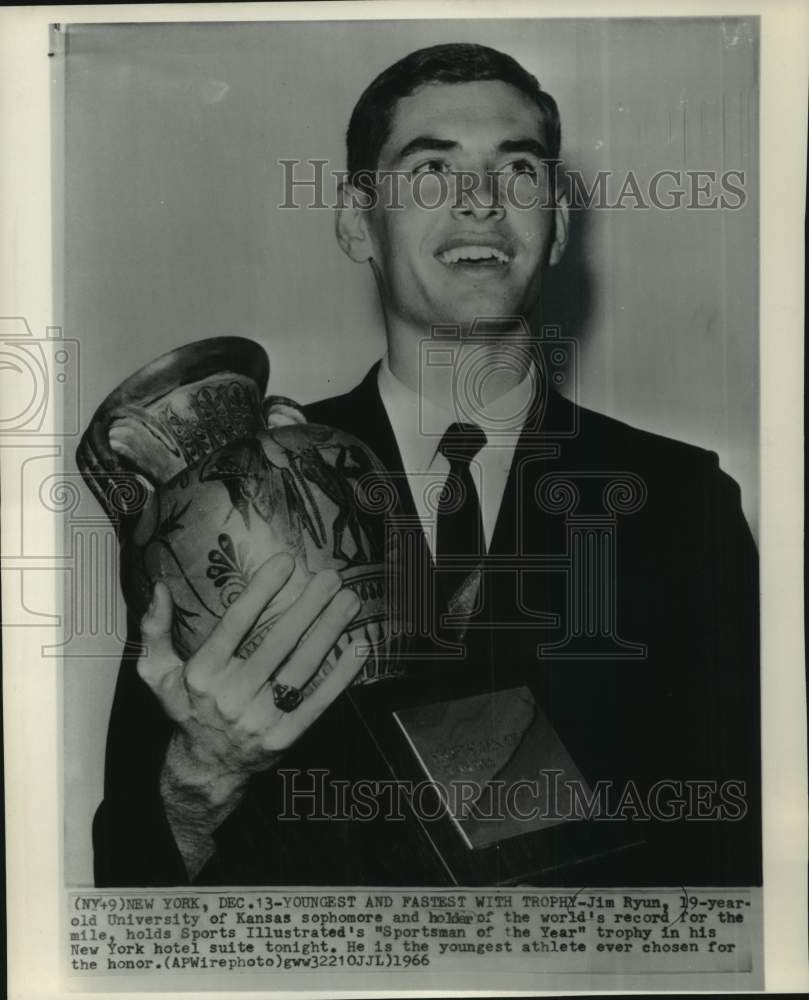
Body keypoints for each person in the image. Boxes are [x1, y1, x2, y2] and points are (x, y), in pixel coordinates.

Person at [93, 43, 760, 887]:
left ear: (554, 222)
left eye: (516, 169)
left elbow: (745, 863)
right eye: (430, 170)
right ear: (352, 220)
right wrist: (201, 780)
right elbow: (122, 886)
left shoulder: (681, 500)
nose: (480, 201)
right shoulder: (212, 497)